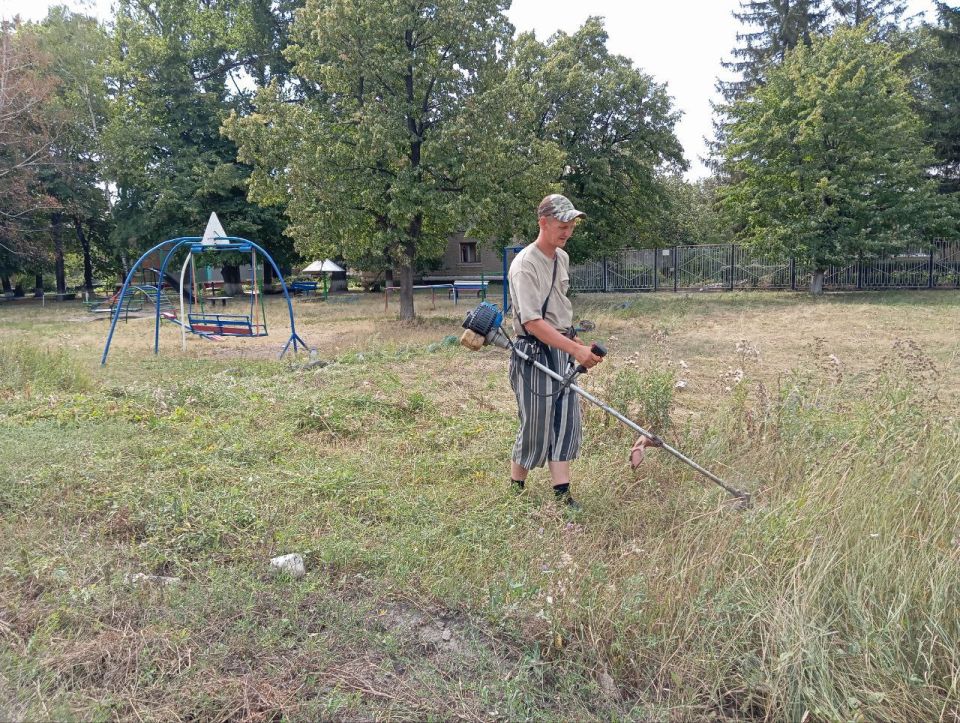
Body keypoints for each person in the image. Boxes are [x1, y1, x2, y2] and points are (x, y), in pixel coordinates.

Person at [506, 194, 603, 511]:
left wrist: (576, 344)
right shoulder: (524, 265)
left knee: (566, 421)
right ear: (543, 223)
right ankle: (516, 491)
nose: (568, 232)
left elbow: (558, 309)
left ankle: (563, 495)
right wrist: (576, 349)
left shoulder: (562, 257)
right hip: (533, 352)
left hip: (562, 348)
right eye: (562, 226)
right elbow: (532, 322)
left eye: (571, 226)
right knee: (536, 423)